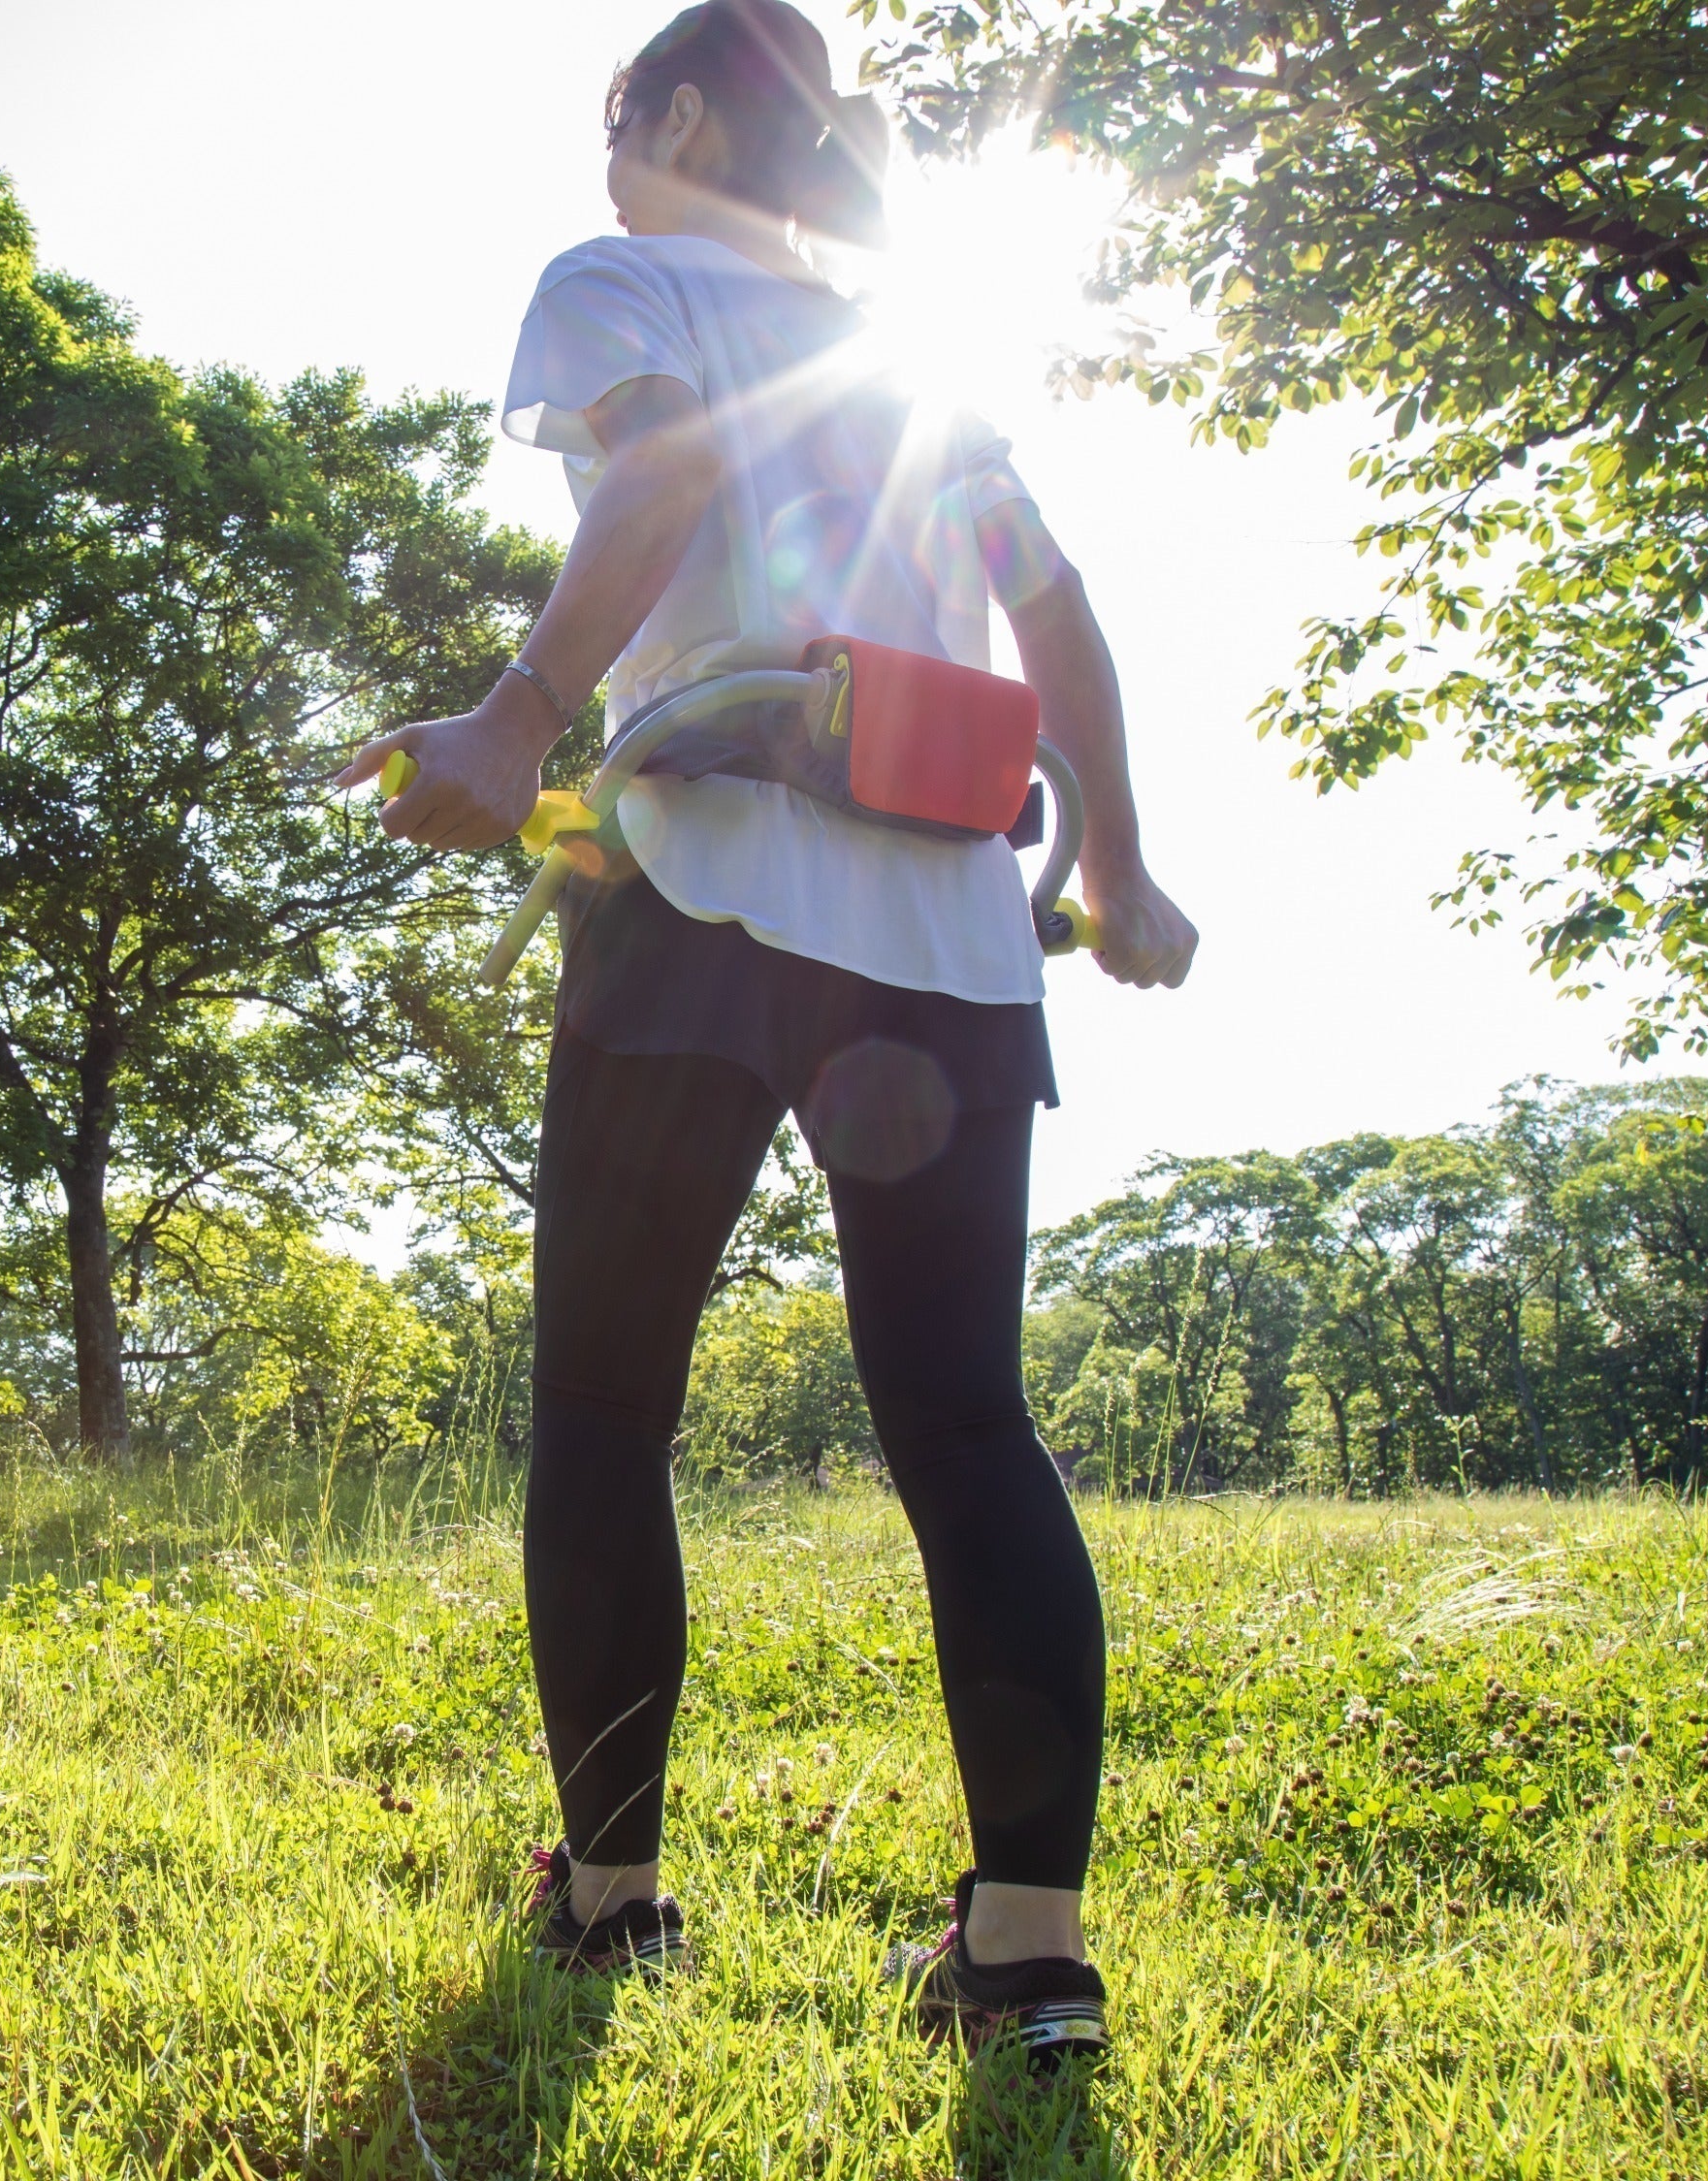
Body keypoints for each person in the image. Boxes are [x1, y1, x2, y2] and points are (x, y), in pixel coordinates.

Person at [337, 0, 1199, 2061]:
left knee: (608, 1413)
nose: (605, 157)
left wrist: (515, 712)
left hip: (704, 879)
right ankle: (1027, 1954)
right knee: (966, 1427)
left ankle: (614, 1904)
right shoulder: (918, 365)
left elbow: (671, 469)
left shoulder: (623, 278)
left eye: (621, 115)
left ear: (688, 114)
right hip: (949, 919)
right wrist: (1123, 874)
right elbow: (1056, 609)